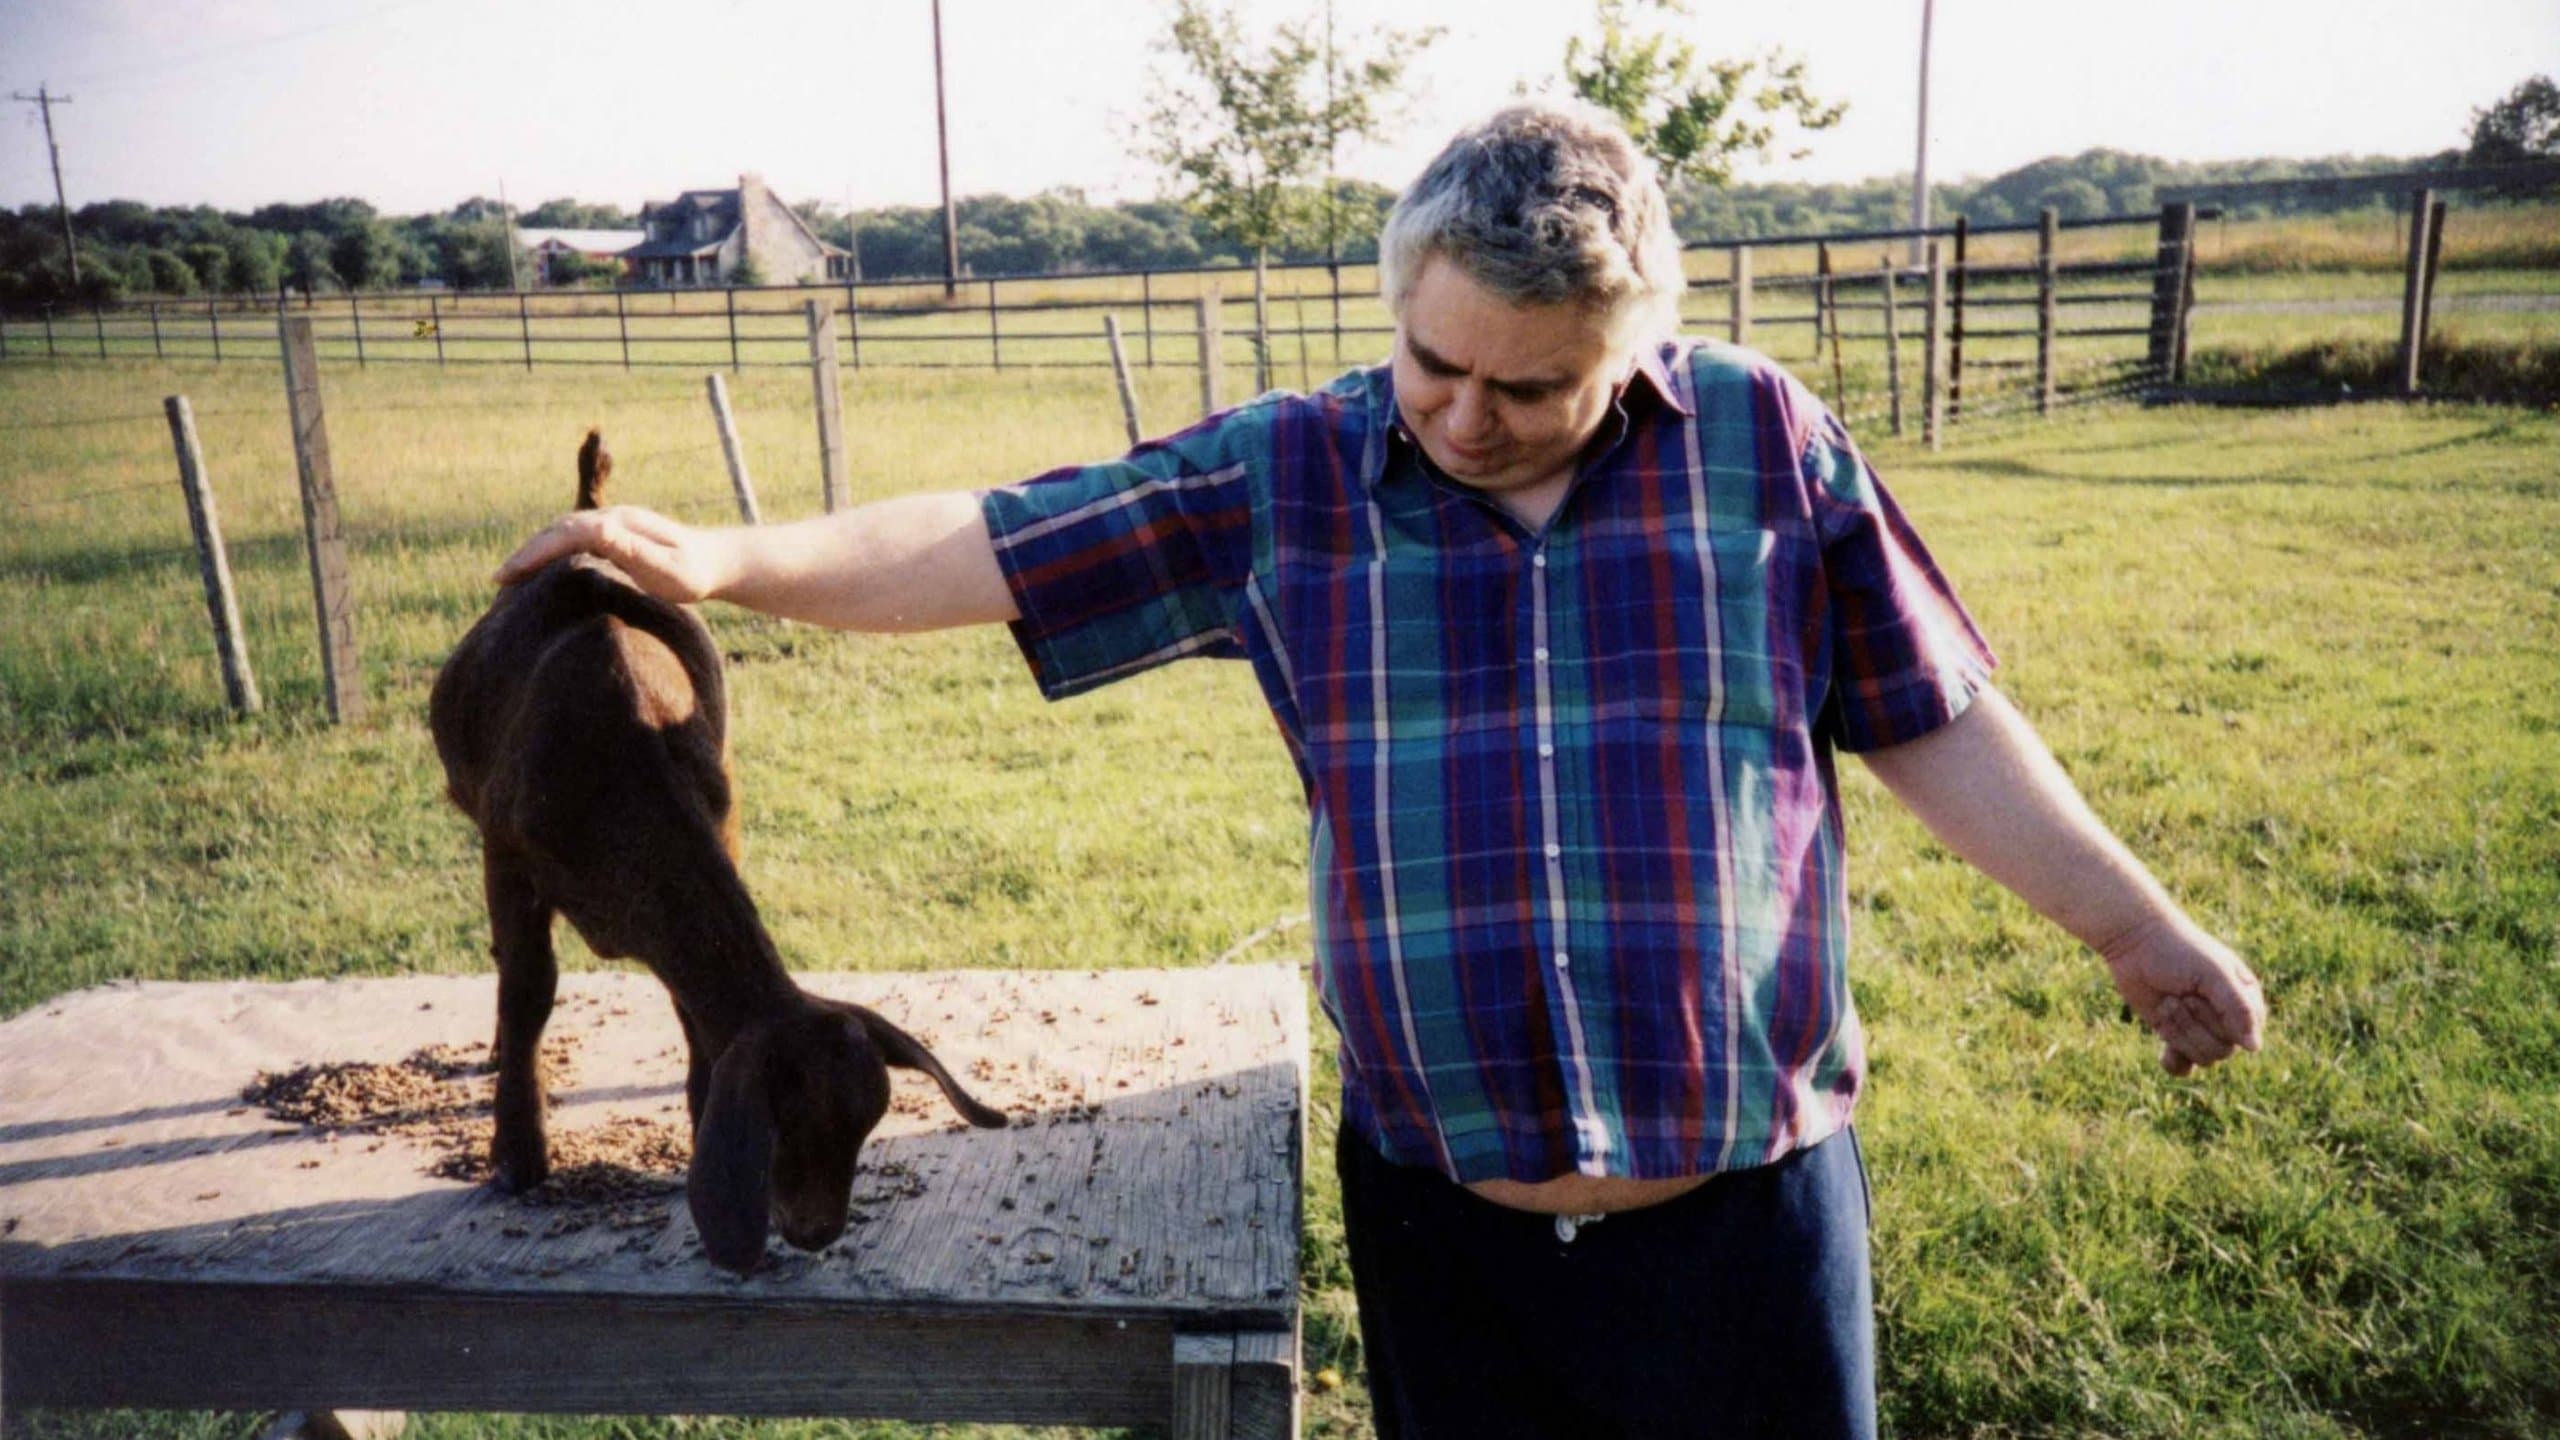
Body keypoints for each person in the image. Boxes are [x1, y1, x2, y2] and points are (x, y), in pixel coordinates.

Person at [496, 101, 2266, 1439]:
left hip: (1752, 1224)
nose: (1471, 415)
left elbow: (1929, 711)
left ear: (1639, 347)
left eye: (1537, 385)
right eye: (1437, 361)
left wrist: (2133, 927)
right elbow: (996, 545)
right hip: (1449, 1231)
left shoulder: (1766, 446)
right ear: (1396, 305)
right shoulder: (1294, 476)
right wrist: (726, 562)